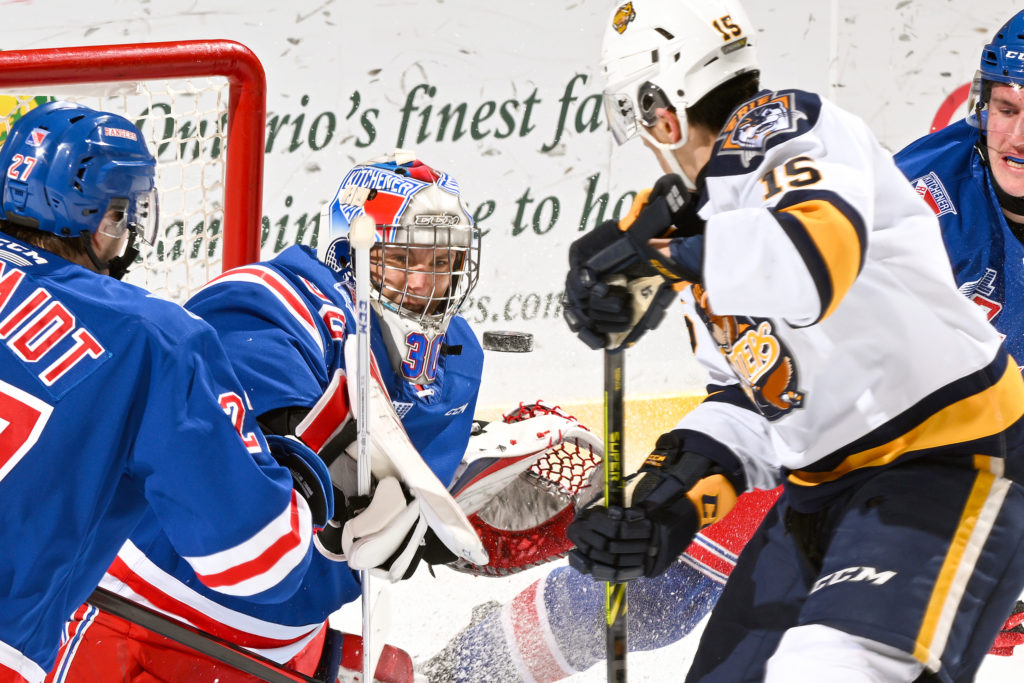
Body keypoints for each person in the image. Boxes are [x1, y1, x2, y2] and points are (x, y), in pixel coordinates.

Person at [424, 6, 1024, 680]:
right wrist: (667, 500)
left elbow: (811, 262)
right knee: (662, 597)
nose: (1017, 135)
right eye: (1006, 105)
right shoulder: (728, 213)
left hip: (948, 459)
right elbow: (757, 393)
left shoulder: (791, 135)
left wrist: (666, 256)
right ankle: (460, 670)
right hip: (823, 477)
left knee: (833, 665)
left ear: (662, 110)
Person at [45, 151, 595, 682]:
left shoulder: (457, 358)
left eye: (443, 262)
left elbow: (391, 526)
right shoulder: (269, 301)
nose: (425, 283)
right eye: (401, 260)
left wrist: (459, 507)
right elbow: (260, 458)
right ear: (347, 250)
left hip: (288, 646)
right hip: (143, 615)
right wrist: (359, 494)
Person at [0, 101, 333, 683]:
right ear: (106, 218)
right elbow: (257, 564)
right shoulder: (153, 338)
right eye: (125, 215)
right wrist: (295, 492)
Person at [893, 9, 1024, 659]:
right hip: (891, 446)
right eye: (1005, 107)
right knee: (697, 577)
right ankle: (524, 657)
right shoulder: (928, 191)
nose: (1017, 137)